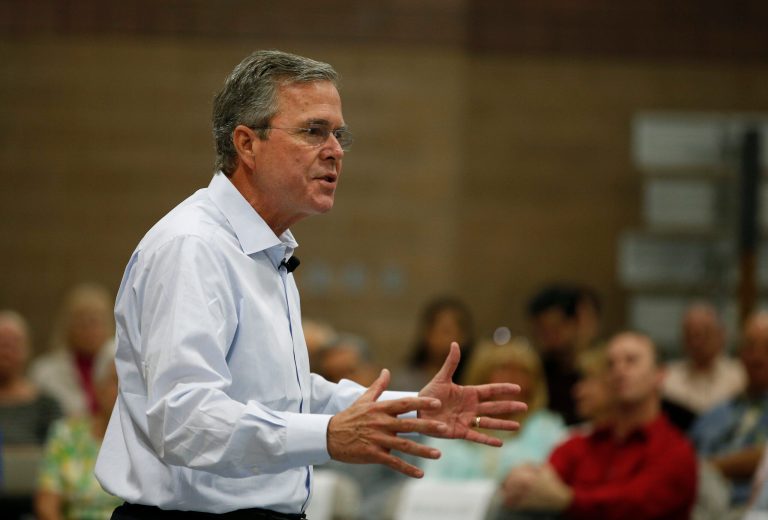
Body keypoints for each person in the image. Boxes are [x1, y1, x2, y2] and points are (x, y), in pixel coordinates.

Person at [94, 50, 525, 519]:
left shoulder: (265, 248)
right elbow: (183, 420)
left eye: (339, 134)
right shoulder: (192, 247)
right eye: (313, 131)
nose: (336, 150)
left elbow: (282, 397)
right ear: (246, 143)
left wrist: (412, 408)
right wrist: (327, 436)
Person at [501, 332, 697, 519]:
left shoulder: (675, 450)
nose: (619, 370)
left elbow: (634, 504)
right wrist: (523, 479)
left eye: (631, 360)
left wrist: (566, 500)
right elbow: (541, 479)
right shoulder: (581, 444)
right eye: (611, 364)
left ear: (659, 374)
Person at [420, 339, 567, 481]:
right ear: (481, 376)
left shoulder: (548, 428)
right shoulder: (452, 421)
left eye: (523, 372)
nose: (512, 378)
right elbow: (428, 482)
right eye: (503, 369)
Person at [690, 311, 768, 508]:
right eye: (750, 347)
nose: (757, 357)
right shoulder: (714, 414)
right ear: (740, 354)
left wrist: (710, 467)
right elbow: (682, 461)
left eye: (767, 348)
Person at [35, 350, 123, 520]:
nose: (123, 389)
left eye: (130, 381)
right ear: (97, 387)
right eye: (115, 380)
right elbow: (46, 506)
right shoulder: (66, 434)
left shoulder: (147, 442)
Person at [30, 283, 115, 417]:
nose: (88, 330)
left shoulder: (122, 367)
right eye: (81, 322)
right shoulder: (44, 372)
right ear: (67, 326)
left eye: (94, 321)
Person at [663, 303, 746, 415]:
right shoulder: (666, 378)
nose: (697, 343)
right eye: (691, 335)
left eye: (705, 334)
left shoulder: (741, 377)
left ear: (722, 335)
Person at [0, 310, 62, 445]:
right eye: (2, 344)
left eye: (13, 344)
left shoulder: (47, 406)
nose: (6, 351)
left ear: (27, 350)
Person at [392, 296, 476, 391]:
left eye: (460, 332)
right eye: (445, 331)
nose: (454, 338)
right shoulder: (407, 378)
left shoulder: (474, 376)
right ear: (428, 333)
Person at [525, 284, 582, 425]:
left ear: (575, 323)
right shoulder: (535, 374)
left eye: (555, 327)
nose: (549, 336)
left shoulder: (594, 372)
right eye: (542, 329)